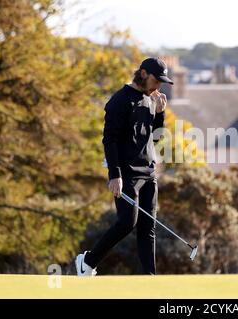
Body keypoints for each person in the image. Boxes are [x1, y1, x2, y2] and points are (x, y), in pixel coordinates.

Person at [75, 57, 173, 276]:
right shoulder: (119, 101)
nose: (159, 86)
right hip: (126, 174)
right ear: (144, 74)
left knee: (148, 227)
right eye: (157, 80)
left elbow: (153, 139)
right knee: (127, 223)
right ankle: (88, 261)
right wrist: (114, 175)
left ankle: (150, 279)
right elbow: (109, 140)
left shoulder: (150, 100)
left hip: (148, 172)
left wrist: (160, 114)